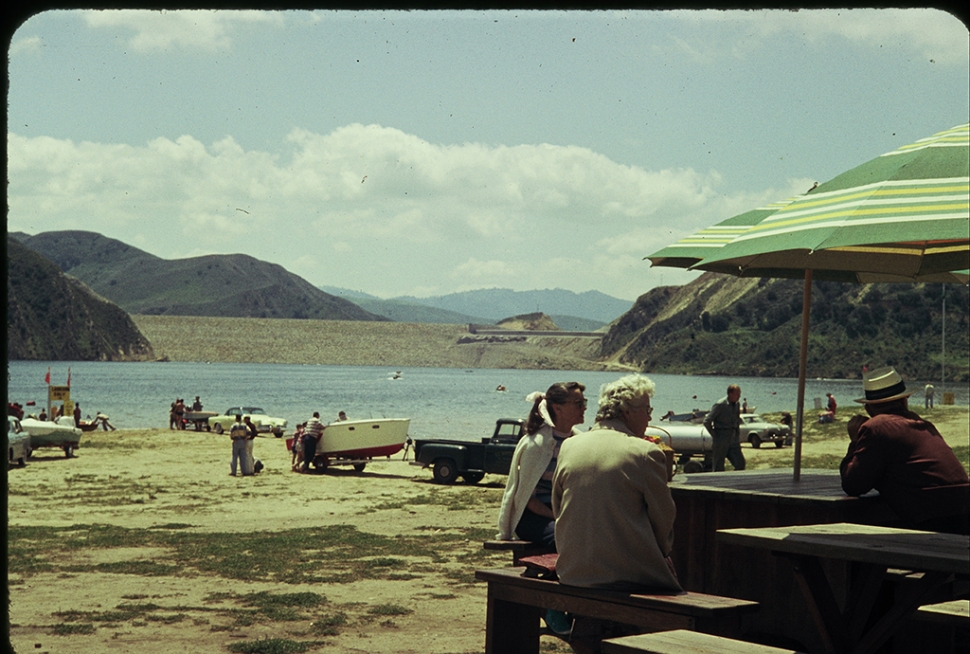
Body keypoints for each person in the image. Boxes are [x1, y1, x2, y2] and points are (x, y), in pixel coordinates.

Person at [553, 373, 680, 592]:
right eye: (647, 410)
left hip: (572, 572)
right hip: (628, 576)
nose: (650, 418)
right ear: (628, 412)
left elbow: (558, 507)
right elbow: (664, 520)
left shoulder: (570, 446)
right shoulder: (645, 453)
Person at [497, 381, 587, 636]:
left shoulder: (579, 441)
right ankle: (551, 605)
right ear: (557, 408)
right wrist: (559, 516)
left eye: (585, 403)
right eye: (578, 404)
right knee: (567, 538)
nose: (584, 409)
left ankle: (582, 605)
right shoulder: (537, 444)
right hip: (534, 516)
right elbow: (528, 499)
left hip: (562, 511)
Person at [840, 366, 969, 535]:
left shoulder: (876, 428)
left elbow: (853, 484)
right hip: (962, 515)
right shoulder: (924, 425)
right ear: (904, 400)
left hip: (933, 522)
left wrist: (855, 442)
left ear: (869, 408)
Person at [703, 384, 746, 471]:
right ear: (730, 394)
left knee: (740, 463)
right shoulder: (721, 404)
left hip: (733, 438)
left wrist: (737, 435)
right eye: (737, 394)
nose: (739, 396)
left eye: (739, 394)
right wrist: (715, 435)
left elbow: (737, 421)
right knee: (718, 466)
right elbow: (707, 421)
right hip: (721, 438)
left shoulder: (737, 404)